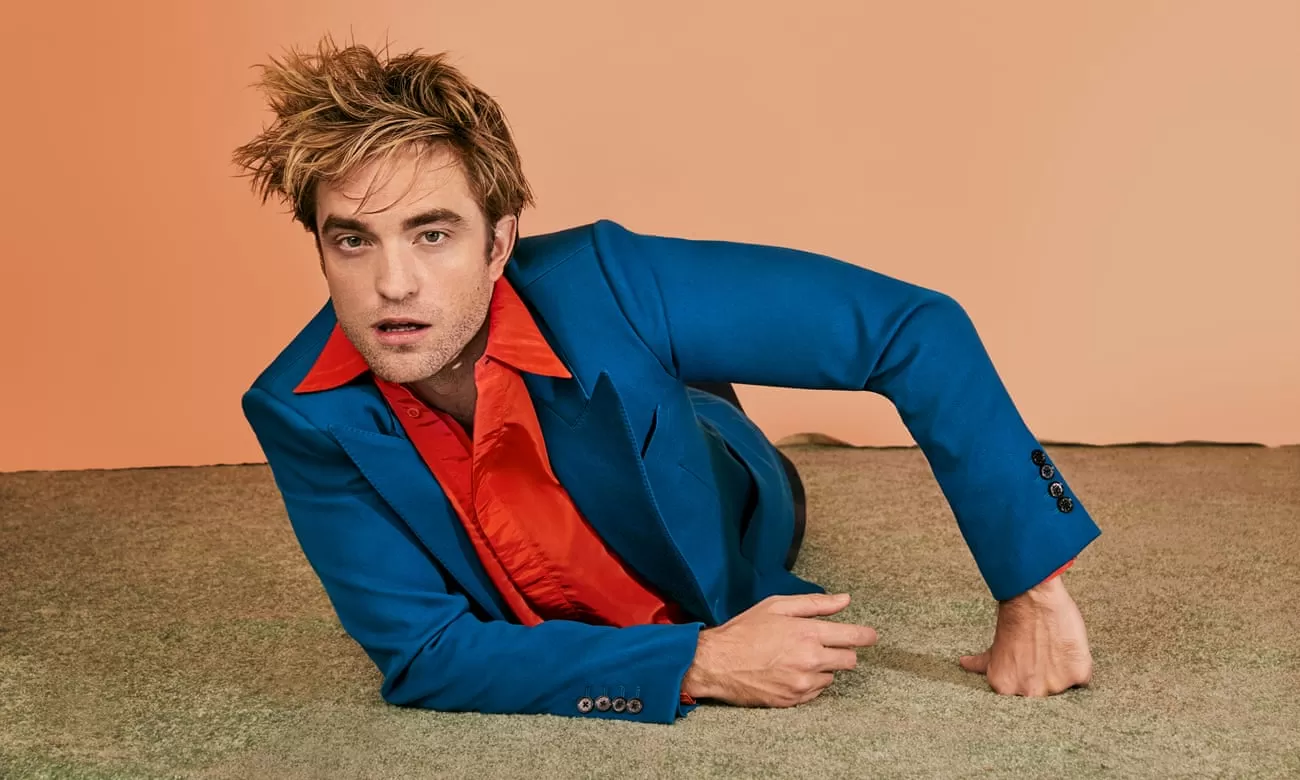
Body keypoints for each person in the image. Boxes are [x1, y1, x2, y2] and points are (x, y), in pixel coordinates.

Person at [233, 38, 1100, 725]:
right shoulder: (298, 409)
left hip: (718, 460)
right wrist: (700, 663)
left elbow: (914, 328)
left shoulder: (608, 280)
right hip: (615, 472)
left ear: (497, 244)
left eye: (432, 235)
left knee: (697, 399)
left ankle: (691, 376)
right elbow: (424, 656)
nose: (392, 285)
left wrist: (1031, 588)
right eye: (353, 240)